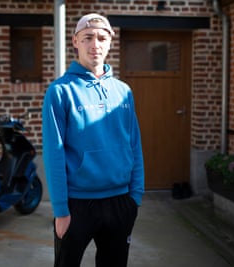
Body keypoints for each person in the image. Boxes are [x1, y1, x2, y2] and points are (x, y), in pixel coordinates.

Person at [42, 13, 145, 267]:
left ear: (110, 41)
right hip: (77, 204)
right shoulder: (60, 91)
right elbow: (54, 153)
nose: (95, 44)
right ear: (76, 41)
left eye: (101, 37)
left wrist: (135, 197)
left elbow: (134, 144)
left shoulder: (124, 91)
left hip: (120, 202)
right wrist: (60, 210)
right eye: (87, 37)